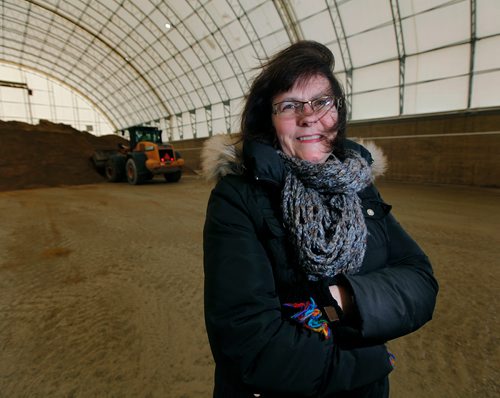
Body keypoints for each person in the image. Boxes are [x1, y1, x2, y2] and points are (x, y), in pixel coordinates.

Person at [202, 40, 438, 397]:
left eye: (322, 101)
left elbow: (420, 281)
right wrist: (370, 360)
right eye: (290, 105)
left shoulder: (359, 185)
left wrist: (344, 298)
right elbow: (251, 346)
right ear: (269, 118)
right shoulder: (238, 197)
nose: (308, 115)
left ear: (338, 112)